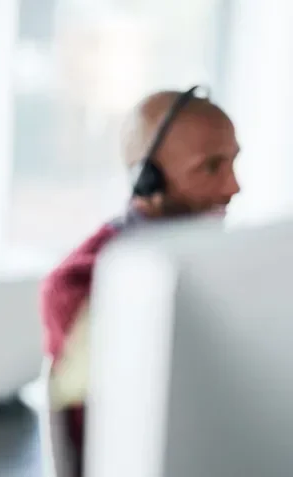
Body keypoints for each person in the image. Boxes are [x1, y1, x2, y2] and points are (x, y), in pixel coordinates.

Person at [40, 86, 241, 476]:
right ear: (148, 179)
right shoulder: (82, 282)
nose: (234, 187)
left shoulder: (219, 259)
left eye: (234, 163)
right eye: (212, 167)